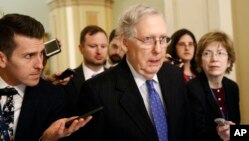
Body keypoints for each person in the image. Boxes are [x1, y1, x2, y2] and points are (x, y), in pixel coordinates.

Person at [70, 4, 192, 141]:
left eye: (162, 39)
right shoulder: (96, 91)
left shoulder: (174, 75)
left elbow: (186, 131)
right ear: (125, 43)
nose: (158, 50)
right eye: (148, 39)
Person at [0, 13, 92, 141]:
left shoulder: (53, 98)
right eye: (29, 56)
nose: (40, 65)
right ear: (2, 59)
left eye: (41, 54)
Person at [186, 31, 240, 141]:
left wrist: (234, 133)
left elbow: (237, 127)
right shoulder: (192, 88)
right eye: (207, 53)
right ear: (200, 61)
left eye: (220, 53)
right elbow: (196, 133)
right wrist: (222, 134)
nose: (214, 59)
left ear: (229, 61)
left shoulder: (232, 87)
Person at [63, 25, 108, 115]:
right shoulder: (67, 81)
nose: (99, 51)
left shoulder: (117, 77)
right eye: (93, 46)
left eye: (103, 46)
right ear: (81, 48)